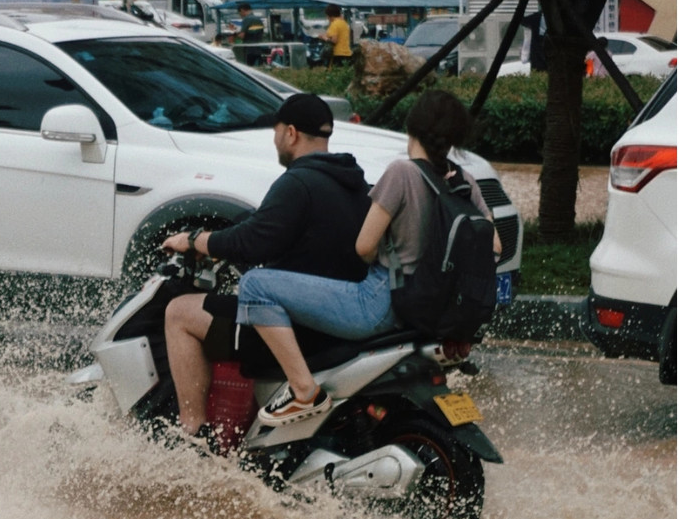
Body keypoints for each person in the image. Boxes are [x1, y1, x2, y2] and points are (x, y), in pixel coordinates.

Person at [216, 89, 502, 427]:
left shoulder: (402, 173)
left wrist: (394, 250)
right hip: (431, 310)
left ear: (412, 127)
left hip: (380, 304)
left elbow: (364, 246)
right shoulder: (463, 181)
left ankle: (303, 391)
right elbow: (495, 245)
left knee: (255, 285)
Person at [160, 93, 372, 438]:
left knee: (179, 313)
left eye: (275, 132)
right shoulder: (352, 182)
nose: (274, 141)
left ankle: (191, 433)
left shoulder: (298, 182)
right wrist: (224, 244)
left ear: (290, 133)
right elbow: (269, 231)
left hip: (293, 327)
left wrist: (194, 239)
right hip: (334, 318)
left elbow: (253, 240)